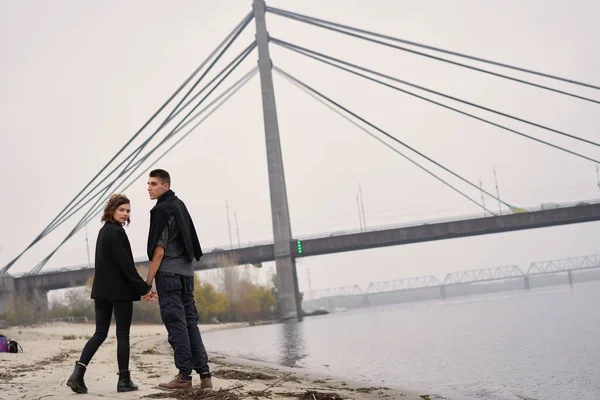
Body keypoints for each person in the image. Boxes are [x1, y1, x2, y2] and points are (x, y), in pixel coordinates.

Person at [66, 194, 157, 394]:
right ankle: (124, 380)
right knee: (122, 334)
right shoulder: (116, 233)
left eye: (128, 211)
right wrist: (144, 289)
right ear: (112, 210)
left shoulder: (103, 231)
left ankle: (77, 374)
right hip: (119, 292)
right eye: (121, 210)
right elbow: (126, 267)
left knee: (100, 333)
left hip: (101, 291)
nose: (125, 214)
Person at [145, 169, 212, 390]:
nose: (149, 188)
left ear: (165, 186)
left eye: (154, 184)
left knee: (177, 326)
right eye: (148, 184)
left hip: (169, 275)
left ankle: (184, 377)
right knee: (191, 324)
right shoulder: (180, 205)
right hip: (186, 274)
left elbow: (159, 252)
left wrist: (147, 282)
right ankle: (205, 375)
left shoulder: (162, 210)